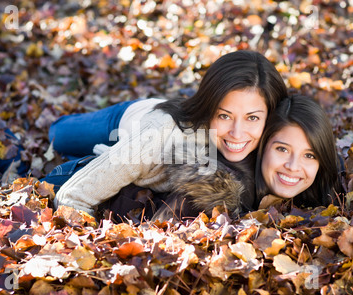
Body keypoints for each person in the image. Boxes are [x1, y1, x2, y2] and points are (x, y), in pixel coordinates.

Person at [51, 50, 288, 218]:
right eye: (224, 115)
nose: (237, 133)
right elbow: (73, 196)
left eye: (252, 118)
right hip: (129, 120)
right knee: (58, 135)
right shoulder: (159, 135)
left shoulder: (275, 139)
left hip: (142, 151)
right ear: (208, 110)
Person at [151, 94, 342, 222]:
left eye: (309, 155)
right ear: (262, 146)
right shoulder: (213, 192)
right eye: (282, 149)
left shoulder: (321, 185)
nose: (293, 166)